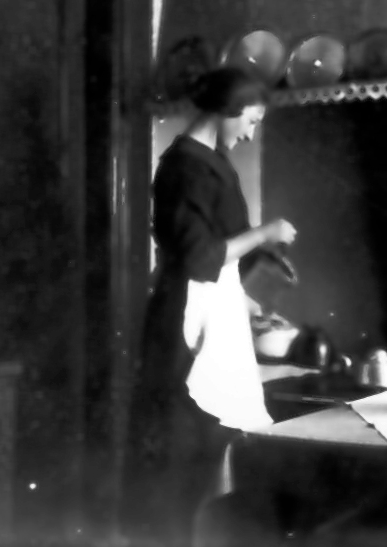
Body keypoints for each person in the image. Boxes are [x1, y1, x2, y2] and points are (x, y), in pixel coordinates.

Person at [124, 67, 297, 547]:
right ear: (227, 108)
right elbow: (199, 256)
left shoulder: (213, 160)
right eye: (251, 120)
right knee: (184, 450)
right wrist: (264, 234)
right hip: (186, 325)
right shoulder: (184, 166)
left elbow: (219, 256)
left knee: (211, 450)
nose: (251, 132)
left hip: (211, 312)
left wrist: (246, 298)